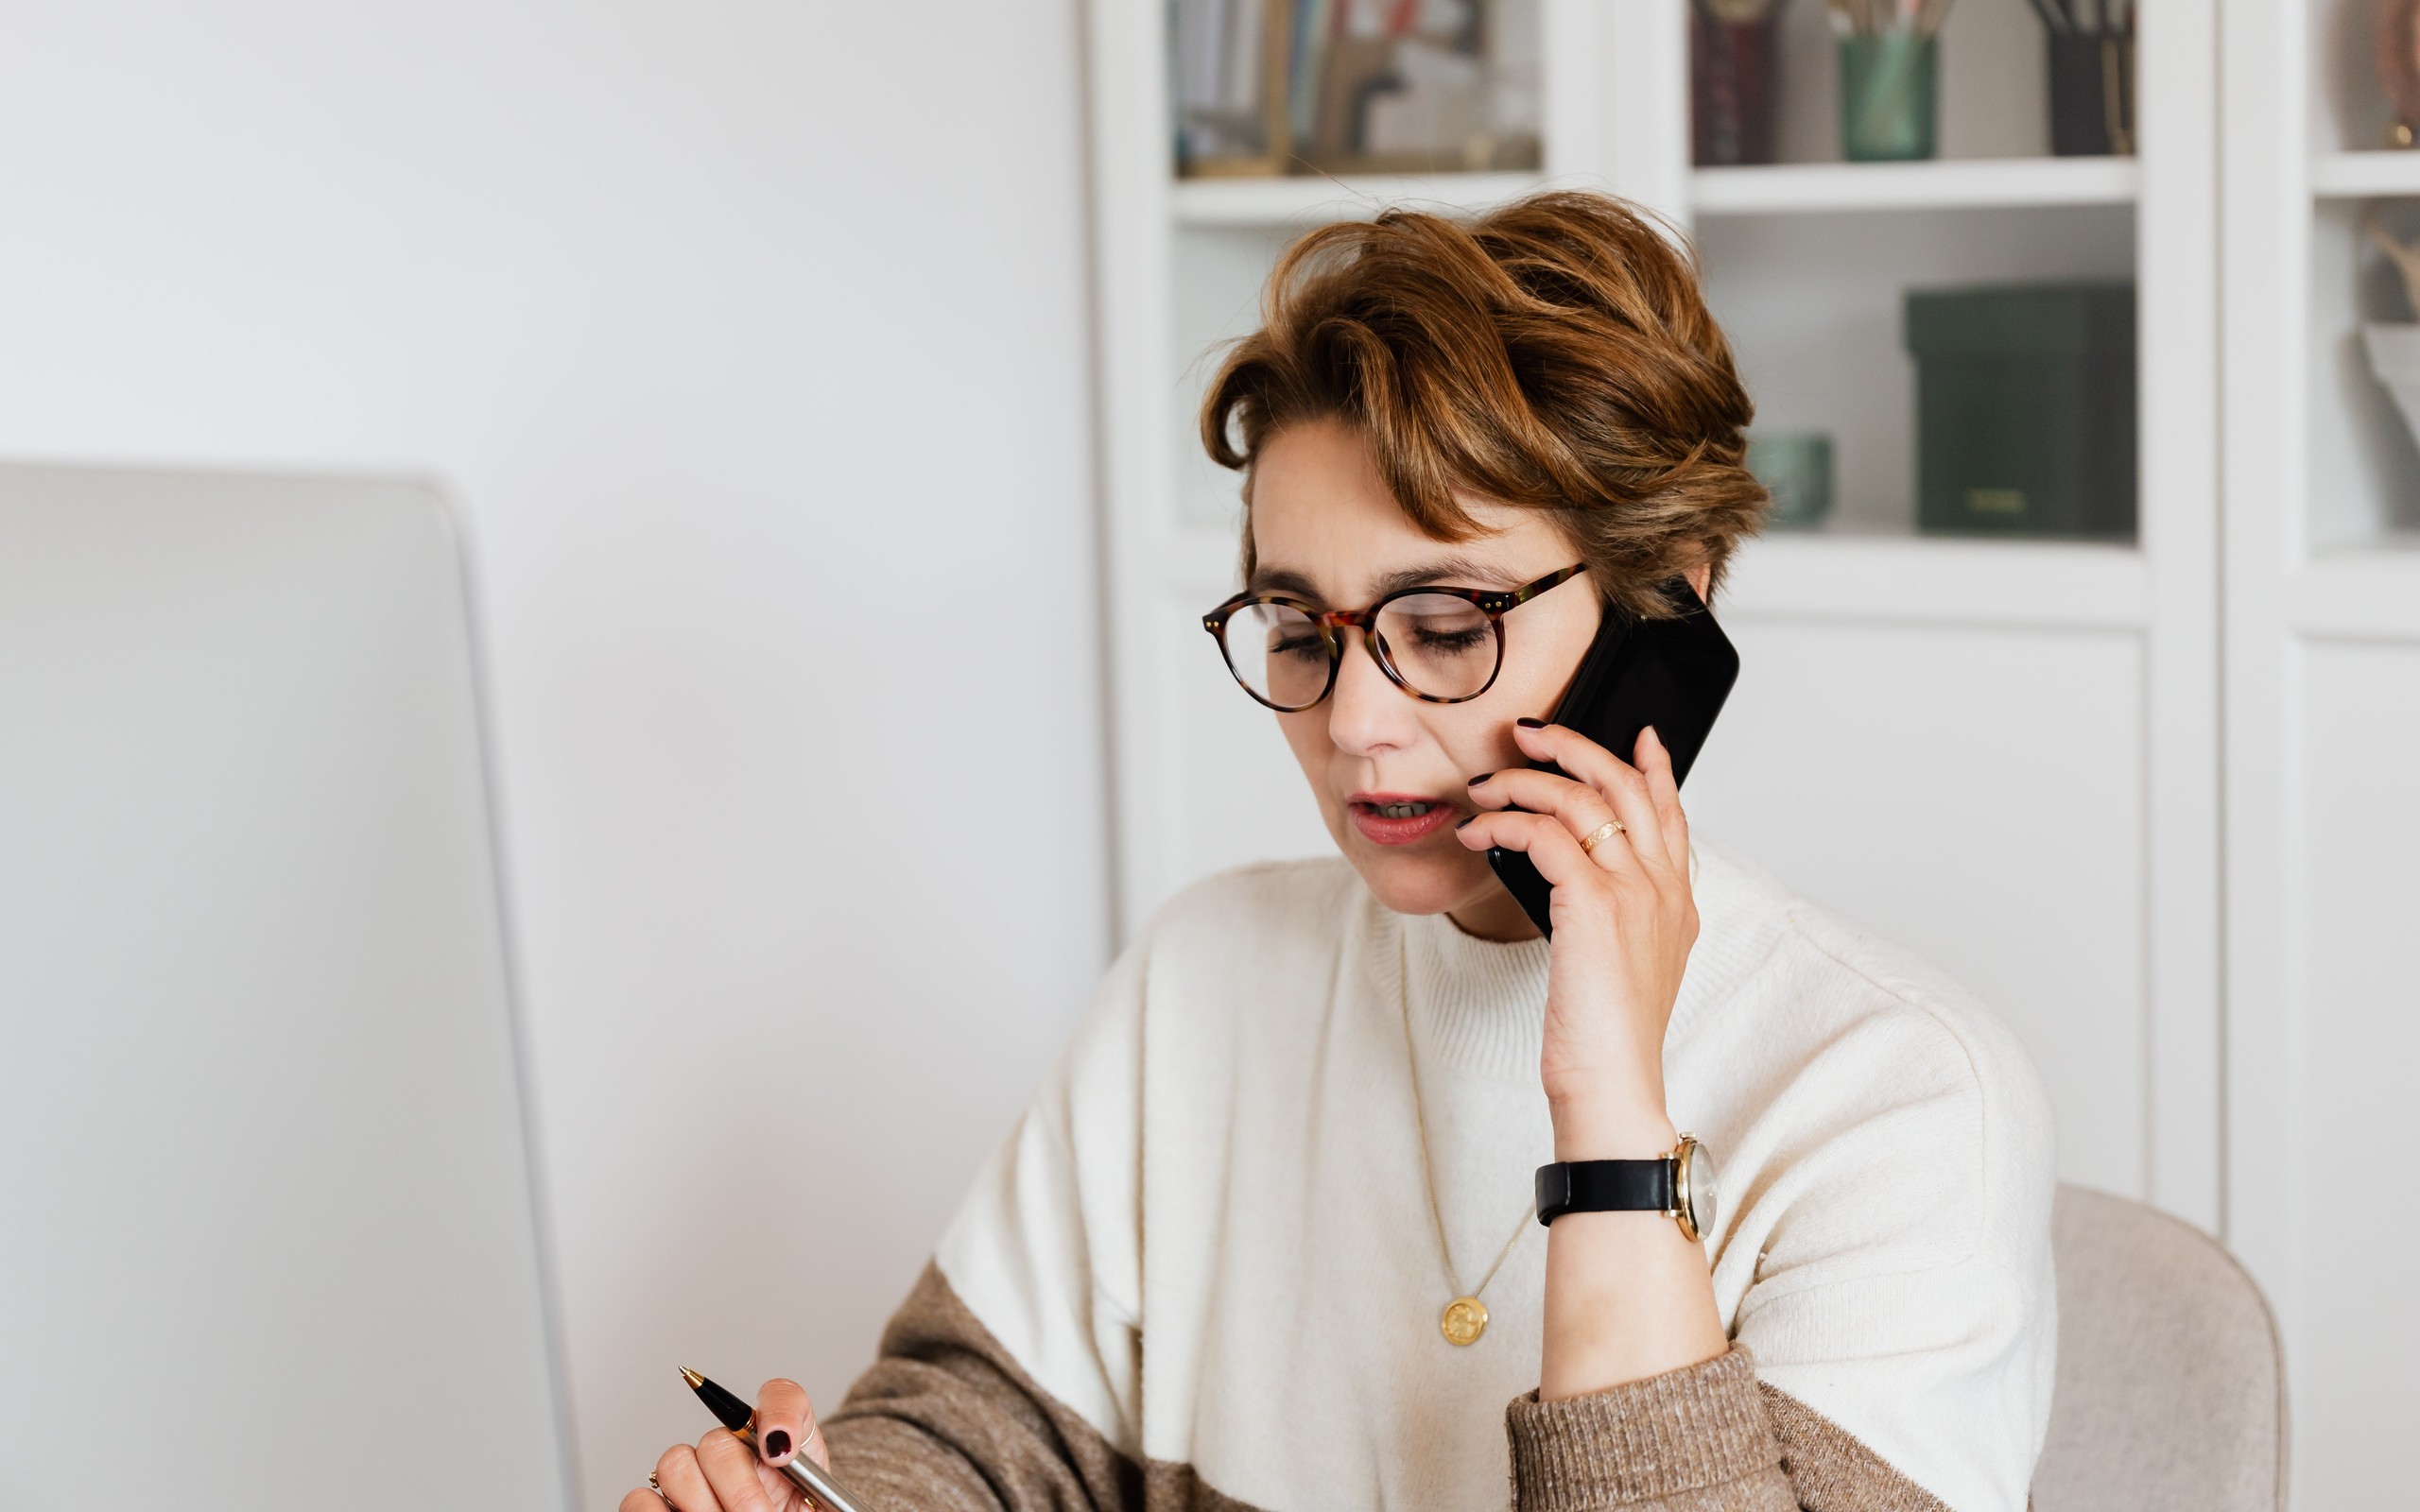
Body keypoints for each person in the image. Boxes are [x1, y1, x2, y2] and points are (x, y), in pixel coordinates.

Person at [626, 191, 2056, 1512]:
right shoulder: (1202, 981)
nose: (1356, 722)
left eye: (1445, 628)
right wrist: (834, 1494)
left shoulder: (1899, 1103)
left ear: (1661, 613)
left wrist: (1612, 1118)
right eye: (1302, 629)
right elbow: (980, 1424)